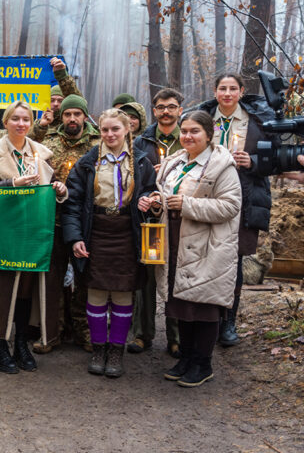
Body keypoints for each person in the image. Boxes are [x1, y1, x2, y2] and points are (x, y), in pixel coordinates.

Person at [139, 110, 241, 387]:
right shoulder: (174, 162)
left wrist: (187, 206)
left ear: (209, 135)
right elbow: (167, 195)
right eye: (184, 131)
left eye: (194, 131)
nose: (187, 136)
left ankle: (202, 363)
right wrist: (156, 202)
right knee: (180, 303)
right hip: (175, 242)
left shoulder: (222, 166)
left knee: (203, 305)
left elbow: (231, 206)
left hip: (207, 246)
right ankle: (185, 358)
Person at [0, 101, 68, 374]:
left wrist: (59, 189)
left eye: (26, 119)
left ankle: (22, 345)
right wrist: (10, 184)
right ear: (6, 122)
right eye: (15, 119)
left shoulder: (42, 154)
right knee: (2, 292)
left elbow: (52, 190)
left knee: (26, 292)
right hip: (2, 233)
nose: (21, 124)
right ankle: (0, 348)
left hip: (31, 233)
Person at [62, 109, 156, 378]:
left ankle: (117, 350)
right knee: (96, 293)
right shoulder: (87, 162)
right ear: (99, 131)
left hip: (128, 232)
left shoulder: (141, 162)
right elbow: (73, 205)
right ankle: (99, 348)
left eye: (116, 129)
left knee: (124, 293)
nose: (110, 134)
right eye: (105, 130)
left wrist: (149, 199)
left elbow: (151, 190)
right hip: (97, 232)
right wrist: (75, 238)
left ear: (127, 130)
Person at [192, 73, 274, 346]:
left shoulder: (258, 121)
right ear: (215, 91)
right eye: (222, 88)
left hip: (244, 198)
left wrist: (251, 161)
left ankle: (228, 322)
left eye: (233, 89)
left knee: (233, 261)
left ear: (240, 91)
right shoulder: (203, 119)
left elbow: (272, 158)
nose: (227, 93)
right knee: (204, 256)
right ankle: (205, 321)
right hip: (207, 197)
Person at [43, 95, 101, 352]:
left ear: (85, 116)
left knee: (83, 279)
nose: (72, 119)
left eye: (77, 114)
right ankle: (52, 333)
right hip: (53, 221)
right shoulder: (49, 143)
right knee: (52, 280)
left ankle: (83, 331)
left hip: (84, 223)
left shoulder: (97, 144)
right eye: (67, 114)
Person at [129, 88, 184, 357]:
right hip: (152, 223)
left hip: (180, 222)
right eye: (161, 107)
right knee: (148, 277)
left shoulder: (187, 138)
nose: (166, 111)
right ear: (154, 110)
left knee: (174, 276)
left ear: (179, 110)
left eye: (171, 107)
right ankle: (142, 334)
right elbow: (134, 180)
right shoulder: (142, 142)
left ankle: (175, 337)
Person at [29, 57, 82, 143]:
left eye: (60, 101)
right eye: (52, 100)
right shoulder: (38, 124)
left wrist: (62, 75)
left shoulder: (72, 123)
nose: (56, 104)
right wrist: (42, 126)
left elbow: (76, 100)